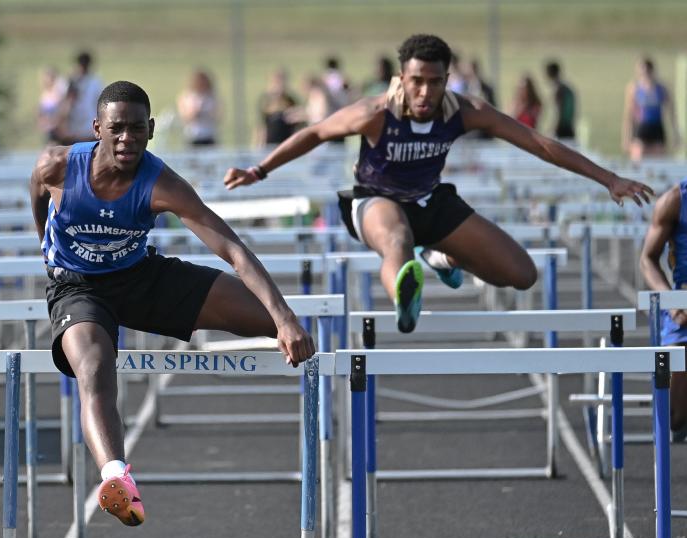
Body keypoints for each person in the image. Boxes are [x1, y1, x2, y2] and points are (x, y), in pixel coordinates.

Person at [224, 34, 652, 334]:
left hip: (432, 202)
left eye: (434, 81)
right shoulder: (375, 112)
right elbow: (316, 132)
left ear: (447, 79)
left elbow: (537, 143)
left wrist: (608, 179)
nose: (425, 92)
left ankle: (441, 258)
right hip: (374, 201)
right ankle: (405, 298)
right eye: (416, 81)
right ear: (402, 79)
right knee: (396, 238)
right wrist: (259, 171)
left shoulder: (464, 110)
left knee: (520, 274)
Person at [30, 80, 314, 526]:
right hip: (78, 287)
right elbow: (38, 195)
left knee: (277, 323)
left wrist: (285, 319)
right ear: (97, 128)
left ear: (152, 129)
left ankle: (313, 377)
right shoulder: (59, 166)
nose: (128, 140)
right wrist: (47, 250)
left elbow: (233, 249)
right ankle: (116, 476)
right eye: (117, 129)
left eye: (137, 130)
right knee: (94, 365)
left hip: (140, 276)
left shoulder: (162, 183)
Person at [639, 180, 687, 440]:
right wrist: (671, 302)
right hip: (684, 313)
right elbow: (647, 258)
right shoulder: (675, 201)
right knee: (673, 418)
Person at [623, 57, 679, 161]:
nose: (644, 74)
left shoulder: (662, 88)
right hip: (641, 127)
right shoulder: (634, 88)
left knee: (658, 160)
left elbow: (672, 113)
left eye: (646, 71)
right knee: (638, 158)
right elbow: (629, 115)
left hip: (657, 128)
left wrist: (676, 134)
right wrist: (626, 138)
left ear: (652, 71)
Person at [61, 51, 104, 144]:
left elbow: (99, 102)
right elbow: (64, 103)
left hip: (89, 126)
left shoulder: (95, 81)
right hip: (73, 126)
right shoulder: (70, 81)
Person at [176, 68, 221, 146]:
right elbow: (184, 117)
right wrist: (195, 113)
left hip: (208, 136)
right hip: (193, 136)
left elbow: (219, 116)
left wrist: (209, 114)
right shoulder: (187, 97)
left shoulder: (212, 97)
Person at [257, 68, 301, 146]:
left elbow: (296, 127)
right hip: (269, 144)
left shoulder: (290, 101)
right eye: (276, 82)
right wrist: (259, 144)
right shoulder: (266, 101)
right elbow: (262, 126)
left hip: (286, 143)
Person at [544, 60, 576, 140]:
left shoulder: (558, 90)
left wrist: (553, 130)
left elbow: (559, 112)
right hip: (569, 127)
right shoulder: (567, 88)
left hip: (561, 130)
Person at [38, 66, 69, 144]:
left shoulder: (59, 94)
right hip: (49, 129)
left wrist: (57, 122)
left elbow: (64, 110)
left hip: (58, 129)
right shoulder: (45, 94)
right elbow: (41, 112)